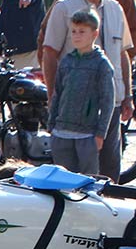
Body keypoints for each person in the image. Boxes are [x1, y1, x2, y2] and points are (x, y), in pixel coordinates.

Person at [41, 0, 135, 180]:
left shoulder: (115, 8)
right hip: (76, 107)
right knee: (77, 172)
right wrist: (52, 95)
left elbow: (123, 54)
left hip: (110, 103)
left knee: (110, 167)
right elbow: (50, 53)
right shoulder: (64, 8)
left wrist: (128, 95)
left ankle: (110, 211)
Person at [48, 10, 116, 177]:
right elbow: (58, 94)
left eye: (82, 32)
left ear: (94, 34)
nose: (77, 36)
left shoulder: (101, 64)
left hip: (87, 134)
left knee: (87, 180)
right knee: (62, 180)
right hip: (61, 131)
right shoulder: (66, 61)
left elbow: (108, 101)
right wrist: (51, 124)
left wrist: (101, 133)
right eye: (73, 31)